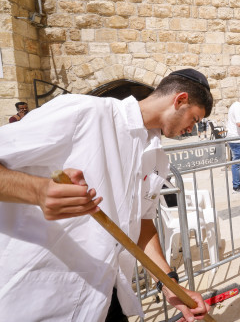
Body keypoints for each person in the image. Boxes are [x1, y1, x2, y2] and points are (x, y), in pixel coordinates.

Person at [0, 69, 212, 321]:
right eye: (195, 118)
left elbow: (142, 224)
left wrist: (170, 285)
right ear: (180, 100)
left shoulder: (158, 158)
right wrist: (37, 191)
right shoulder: (85, 113)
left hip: (104, 299)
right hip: (38, 295)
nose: (191, 128)